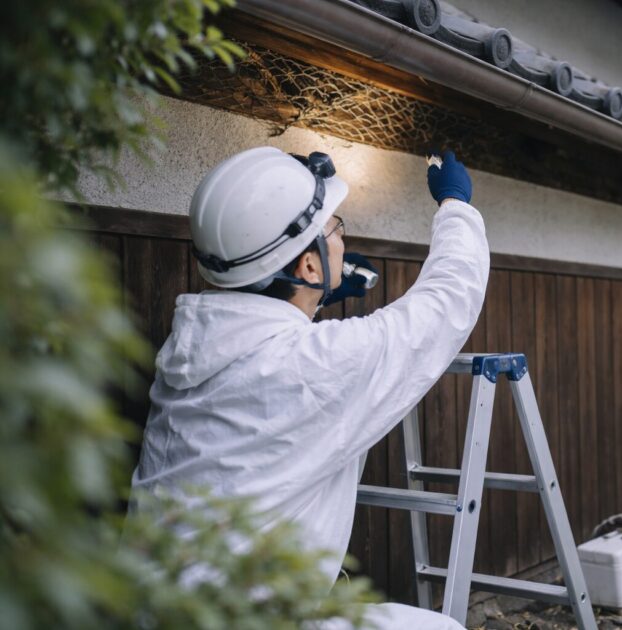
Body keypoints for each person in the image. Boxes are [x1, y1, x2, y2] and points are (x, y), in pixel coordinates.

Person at [131, 146, 489, 629]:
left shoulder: (189, 351)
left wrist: (312, 296)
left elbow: (261, 322)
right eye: (335, 229)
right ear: (308, 266)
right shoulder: (310, 365)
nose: (342, 237)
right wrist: (456, 208)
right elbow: (444, 305)